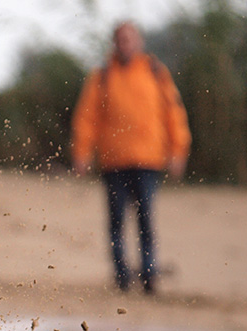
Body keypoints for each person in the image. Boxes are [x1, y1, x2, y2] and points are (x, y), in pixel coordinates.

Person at [71, 21, 191, 294]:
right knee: (115, 223)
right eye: (121, 39)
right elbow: (87, 117)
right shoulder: (101, 75)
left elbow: (174, 114)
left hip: (149, 161)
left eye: (130, 39)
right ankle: (122, 277)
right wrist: (82, 152)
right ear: (115, 43)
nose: (125, 44)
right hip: (114, 162)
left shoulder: (156, 73)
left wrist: (178, 150)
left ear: (139, 41)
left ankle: (150, 276)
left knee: (146, 220)